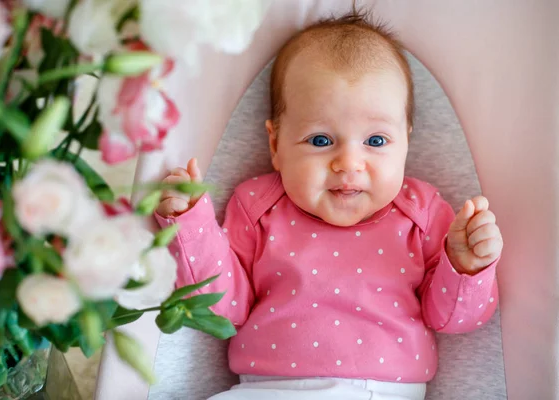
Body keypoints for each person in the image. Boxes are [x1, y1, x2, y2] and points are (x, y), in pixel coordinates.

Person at [155, 10, 503, 400]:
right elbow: (222, 305)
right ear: (276, 145)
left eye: (375, 141)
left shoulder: (421, 212)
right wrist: (189, 223)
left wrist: (465, 264)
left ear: (406, 141)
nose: (349, 164)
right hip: (265, 391)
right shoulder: (257, 205)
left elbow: (453, 319)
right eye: (321, 141)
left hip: (383, 392)